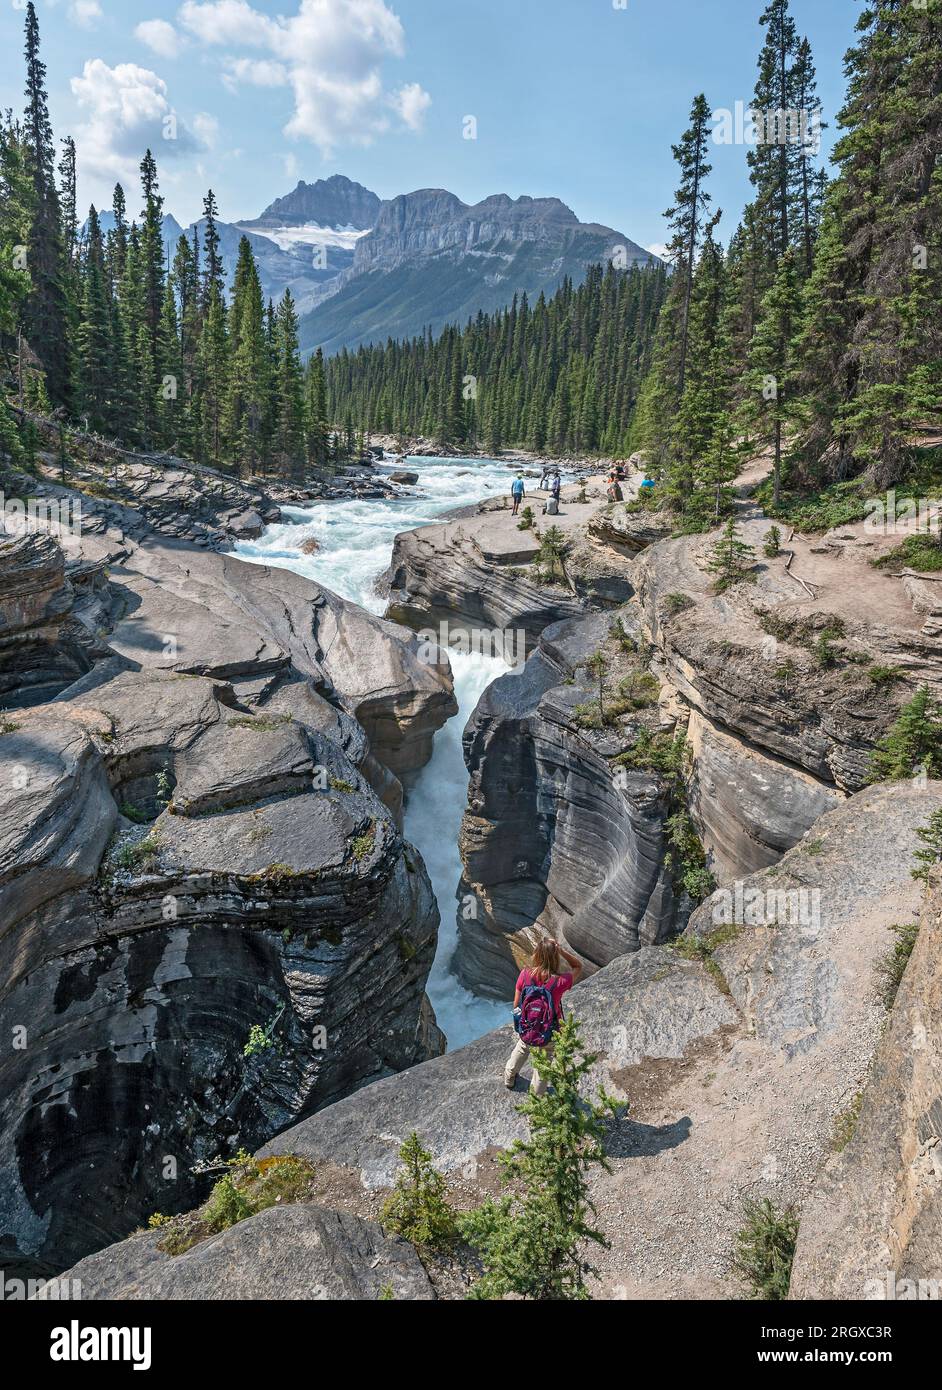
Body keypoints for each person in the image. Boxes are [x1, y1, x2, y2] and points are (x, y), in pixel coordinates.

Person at [504, 937, 583, 1095]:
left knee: (521, 1049)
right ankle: (536, 1102)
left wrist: (523, 1023)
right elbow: (578, 966)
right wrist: (560, 950)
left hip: (528, 1027)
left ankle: (509, 1078)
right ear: (555, 957)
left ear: (536, 955)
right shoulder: (560, 981)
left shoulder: (525, 974)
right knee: (542, 1067)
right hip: (549, 1031)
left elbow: (515, 1004)